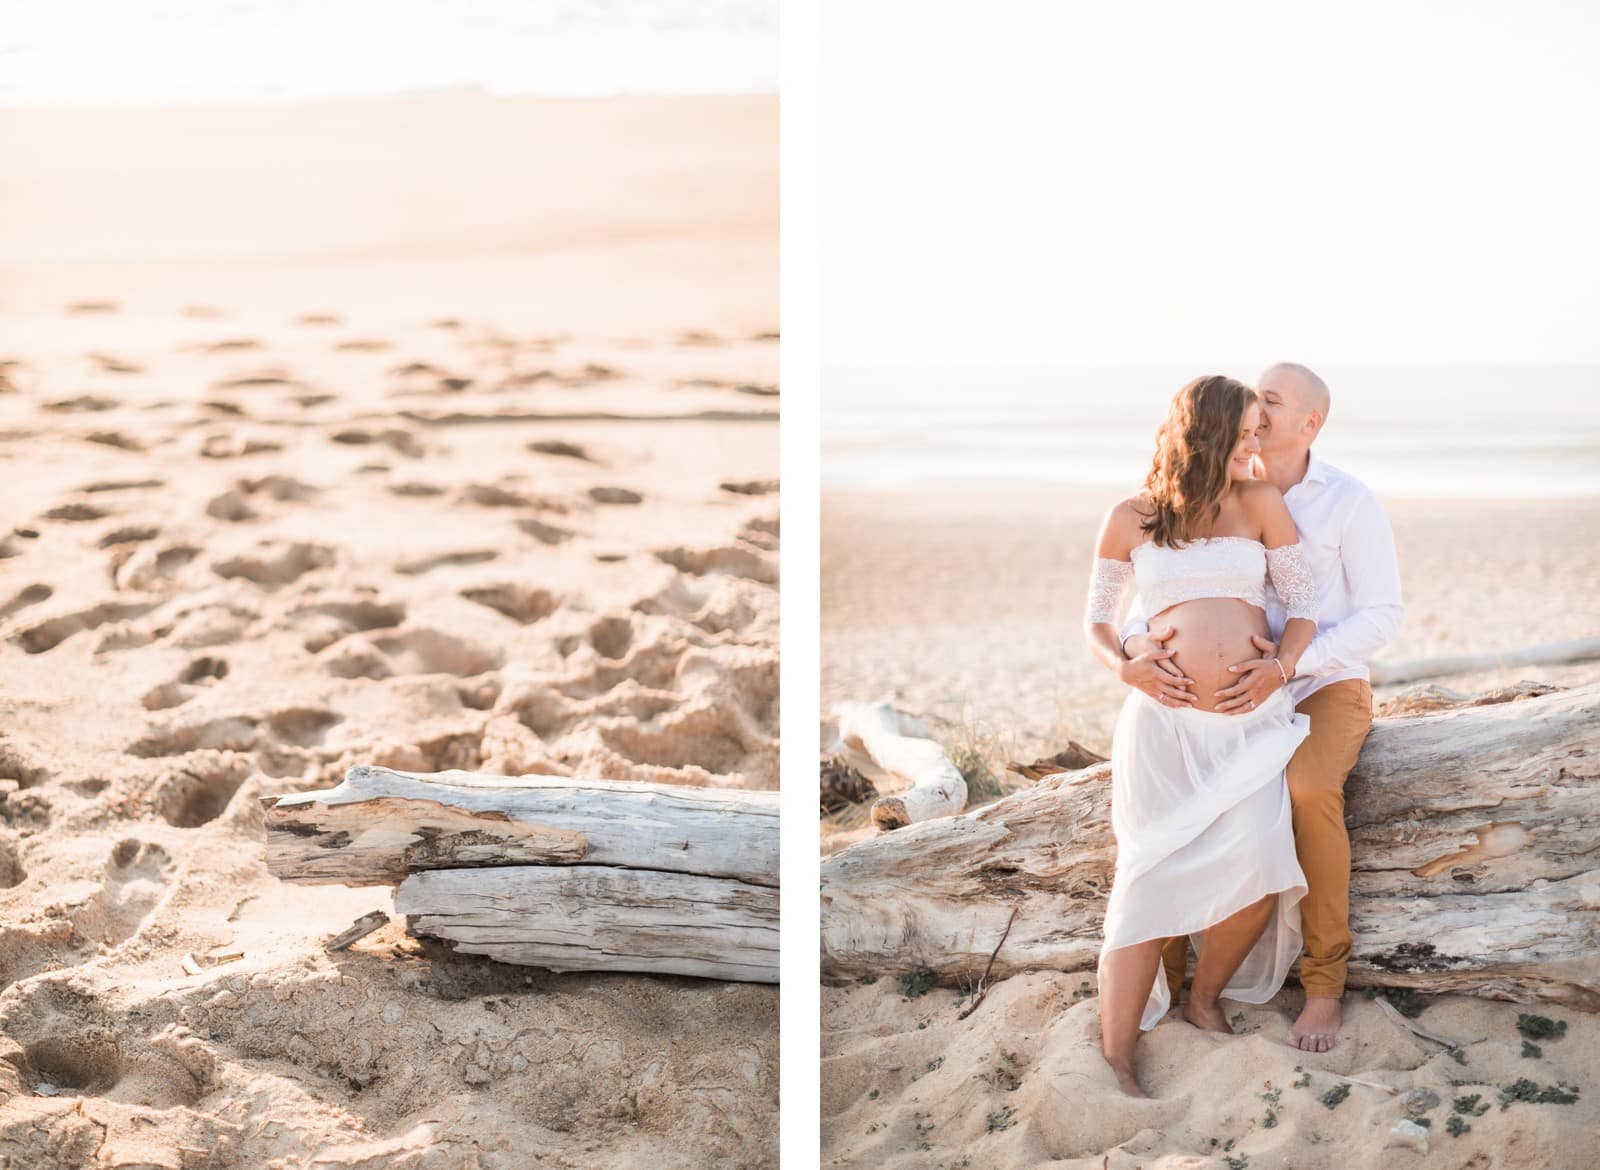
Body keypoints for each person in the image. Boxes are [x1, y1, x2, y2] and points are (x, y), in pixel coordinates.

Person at [1121, 362, 1405, 1053]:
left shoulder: (1347, 500)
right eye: (1256, 398)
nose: (1258, 407)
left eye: (1273, 400)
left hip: (1322, 683)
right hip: (1226, 698)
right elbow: (1148, 592)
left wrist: (1285, 668)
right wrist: (1138, 651)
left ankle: (1324, 986)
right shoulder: (1213, 484)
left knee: (1308, 791)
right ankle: (1175, 970)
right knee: (1188, 804)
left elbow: (1383, 614)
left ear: (1311, 422)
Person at [1084, 374, 1320, 1098]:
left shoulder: (1261, 504)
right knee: (1145, 879)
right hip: (1162, 729)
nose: (1258, 443)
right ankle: (1119, 1057)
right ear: (1209, 433)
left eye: (1261, 428)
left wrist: (1279, 669)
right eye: (1247, 431)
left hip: (1249, 727)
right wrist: (1127, 668)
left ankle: (1204, 998)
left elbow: (1307, 606)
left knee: (1259, 865)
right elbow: (1095, 620)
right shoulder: (1133, 514)